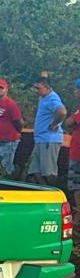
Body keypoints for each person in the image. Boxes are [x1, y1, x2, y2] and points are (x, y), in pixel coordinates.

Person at [28, 76, 67, 186]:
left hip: (49, 139)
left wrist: (54, 124)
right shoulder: (43, 97)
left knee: (49, 173)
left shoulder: (52, 98)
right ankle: (44, 191)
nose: (36, 91)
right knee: (34, 171)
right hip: (40, 138)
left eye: (38, 88)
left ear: (47, 87)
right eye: (35, 88)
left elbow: (62, 112)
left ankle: (57, 193)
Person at [0, 79, 23, 176]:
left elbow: (18, 120)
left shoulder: (10, 104)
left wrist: (17, 131)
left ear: (6, 90)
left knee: (6, 167)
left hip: (8, 140)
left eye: (1, 88)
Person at [62, 79, 80, 214]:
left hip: (78, 153)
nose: (75, 91)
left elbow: (68, 122)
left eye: (76, 88)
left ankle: (79, 215)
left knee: (76, 185)